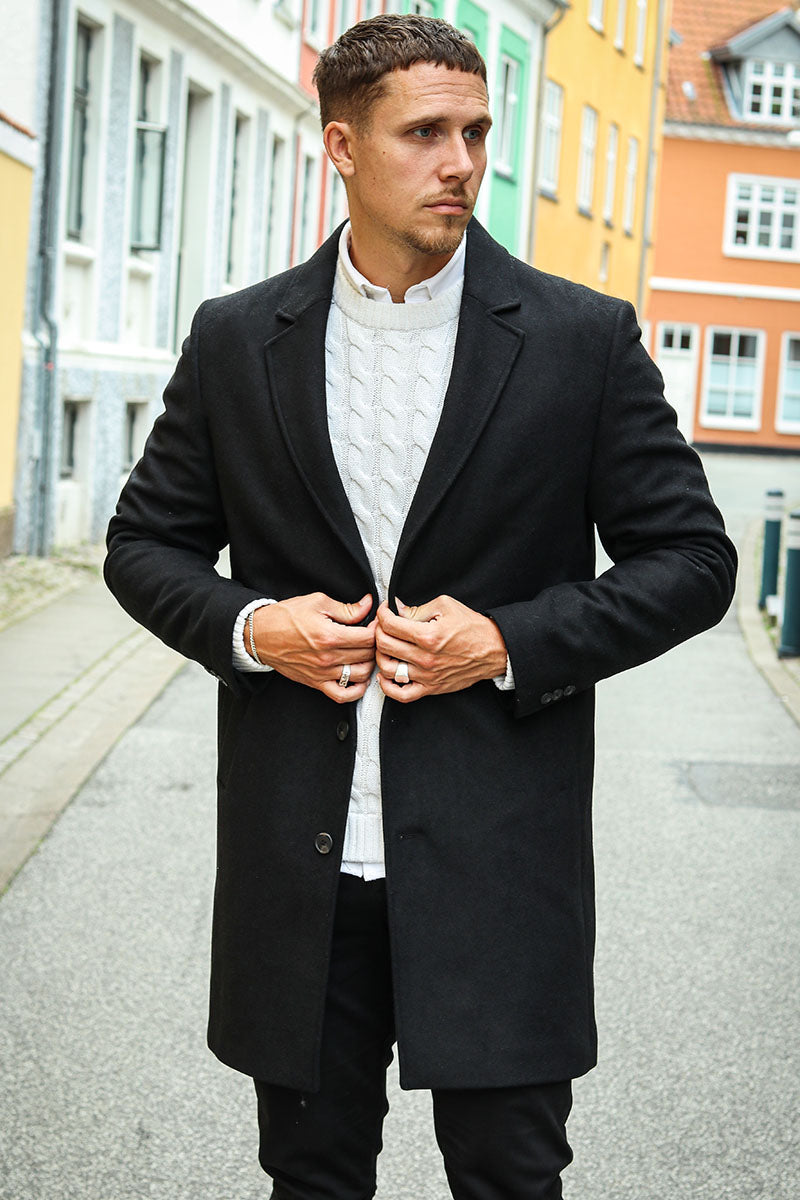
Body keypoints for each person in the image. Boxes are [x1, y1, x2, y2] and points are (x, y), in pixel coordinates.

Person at [104, 14, 737, 1199]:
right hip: (301, 870)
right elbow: (144, 545)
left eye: (476, 133)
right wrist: (254, 631)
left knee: (509, 1178)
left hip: (499, 869)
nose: (461, 161)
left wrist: (506, 641)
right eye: (425, 133)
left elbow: (693, 561)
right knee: (312, 1179)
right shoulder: (238, 339)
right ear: (341, 146)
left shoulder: (578, 340)